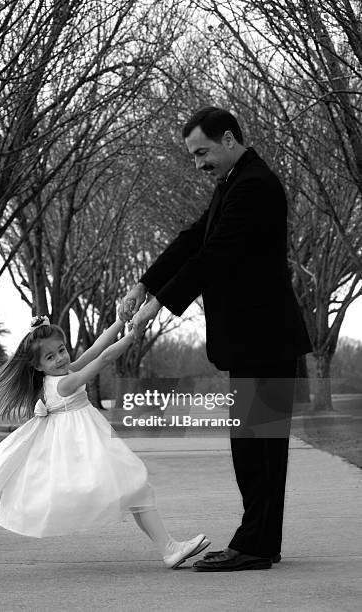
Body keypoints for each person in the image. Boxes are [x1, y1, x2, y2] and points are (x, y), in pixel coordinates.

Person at [119, 107, 312, 571]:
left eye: (202, 152)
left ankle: (254, 547)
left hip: (263, 339)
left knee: (257, 448)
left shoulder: (254, 187)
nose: (199, 163)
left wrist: (158, 304)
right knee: (256, 447)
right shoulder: (234, 182)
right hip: (256, 339)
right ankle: (263, 542)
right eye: (193, 156)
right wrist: (145, 282)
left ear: (228, 139)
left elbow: (215, 255)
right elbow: (194, 238)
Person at [0, 315, 210, 569]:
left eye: (62, 350)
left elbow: (94, 349)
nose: (60, 358)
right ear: (38, 366)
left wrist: (119, 322)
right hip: (86, 445)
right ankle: (169, 548)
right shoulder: (65, 383)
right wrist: (131, 336)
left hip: (90, 440)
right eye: (51, 357)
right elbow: (103, 358)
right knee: (137, 486)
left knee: (138, 489)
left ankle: (170, 549)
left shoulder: (63, 373)